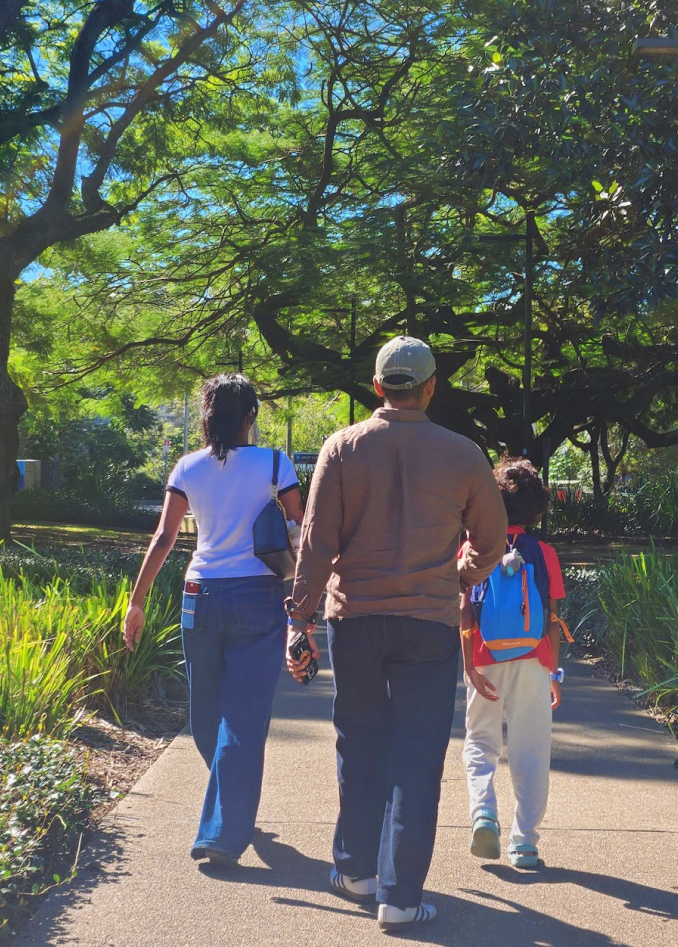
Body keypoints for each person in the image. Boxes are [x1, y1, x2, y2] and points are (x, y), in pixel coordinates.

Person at [285, 335, 507, 931]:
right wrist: (463, 572)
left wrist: (299, 619)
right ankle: (401, 898)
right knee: (417, 757)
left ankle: (355, 869)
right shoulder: (465, 454)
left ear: (379, 387)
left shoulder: (342, 446)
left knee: (358, 743)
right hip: (428, 625)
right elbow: (492, 541)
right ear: (432, 387)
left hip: (353, 618)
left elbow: (316, 543)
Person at [123, 374, 303, 867]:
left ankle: (227, 803)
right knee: (243, 716)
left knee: (206, 709)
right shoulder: (274, 462)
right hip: (257, 595)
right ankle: (223, 832)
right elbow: (300, 532)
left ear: (207, 416)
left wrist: (136, 602)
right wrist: (304, 604)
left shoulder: (187, 466)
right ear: (250, 417)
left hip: (198, 594)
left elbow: (164, 537)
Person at [460, 457, 567, 871]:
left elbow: (465, 612)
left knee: (481, 741)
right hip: (533, 659)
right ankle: (524, 842)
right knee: (531, 750)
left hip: (485, 657)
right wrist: (553, 671)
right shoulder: (544, 552)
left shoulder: (473, 547)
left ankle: (484, 813)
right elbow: (552, 619)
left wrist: (470, 665)